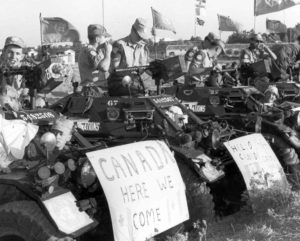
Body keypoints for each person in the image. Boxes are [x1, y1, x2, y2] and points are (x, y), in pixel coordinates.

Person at [78, 24, 112, 90]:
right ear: (97, 39)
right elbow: (104, 68)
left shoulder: (98, 51)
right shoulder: (89, 51)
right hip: (93, 90)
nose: (106, 40)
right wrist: (108, 52)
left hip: (98, 88)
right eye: (104, 37)